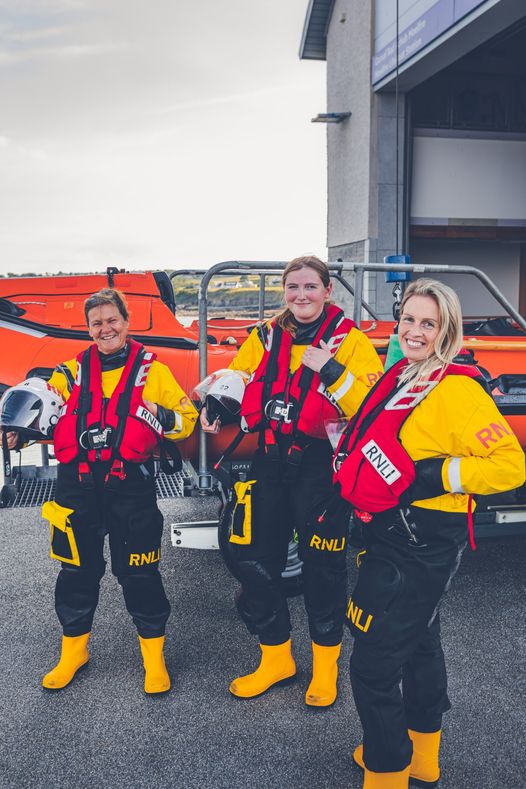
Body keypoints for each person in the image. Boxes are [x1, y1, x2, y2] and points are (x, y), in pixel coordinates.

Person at [333, 279, 525, 788]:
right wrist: (332, 375)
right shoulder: (403, 374)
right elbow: (372, 419)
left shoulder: (458, 388)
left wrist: (436, 474)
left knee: (372, 667)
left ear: (448, 331)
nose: (416, 331)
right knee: (420, 645)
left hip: (422, 540)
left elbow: (511, 465)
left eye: (429, 323)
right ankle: (423, 757)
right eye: (410, 320)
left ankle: (387, 770)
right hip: (389, 533)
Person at [201, 256, 383, 707]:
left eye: (310, 287)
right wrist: (216, 406)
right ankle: (276, 656)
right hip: (268, 461)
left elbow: (370, 405)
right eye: (293, 288)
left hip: (321, 468)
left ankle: (325, 671)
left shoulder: (352, 342)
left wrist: (333, 371)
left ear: (328, 292)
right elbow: (240, 378)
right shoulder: (265, 336)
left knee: (323, 569)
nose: (301, 296)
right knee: (251, 559)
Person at [1, 288, 198, 694]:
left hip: (132, 489)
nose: (105, 328)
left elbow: (187, 422)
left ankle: (153, 659)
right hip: (78, 488)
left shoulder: (154, 372)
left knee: (140, 574)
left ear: (126, 322)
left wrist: (161, 415)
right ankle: (74, 651)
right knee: (76, 572)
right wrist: (20, 436)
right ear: (88, 329)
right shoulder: (70, 372)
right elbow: (44, 407)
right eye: (97, 323)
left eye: (112, 320)